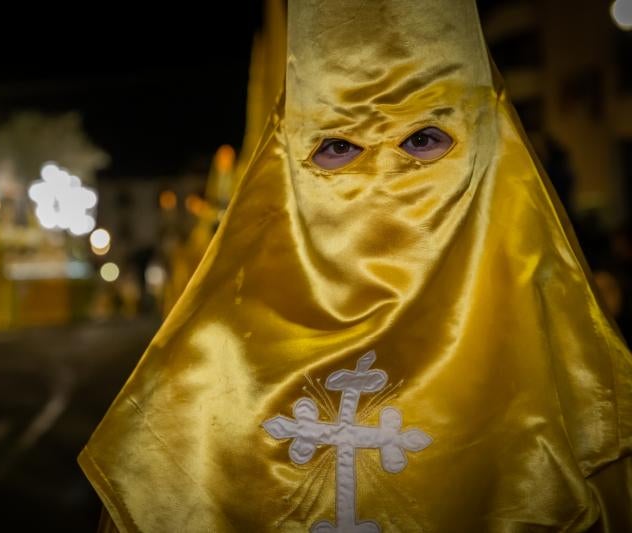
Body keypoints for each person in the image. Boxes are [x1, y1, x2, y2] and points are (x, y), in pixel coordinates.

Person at [80, 1, 632, 531]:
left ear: (490, 149)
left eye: (423, 140)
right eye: (338, 147)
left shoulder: (571, 383)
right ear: (286, 167)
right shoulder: (207, 373)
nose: (382, 177)